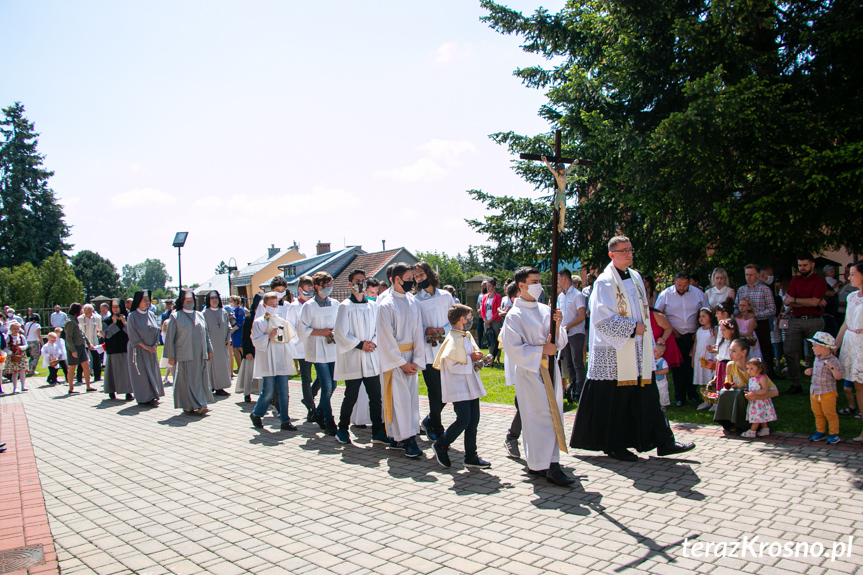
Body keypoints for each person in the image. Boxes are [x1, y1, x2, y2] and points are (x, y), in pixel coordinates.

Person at [571, 236, 695, 462]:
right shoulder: (604, 282)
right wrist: (630, 329)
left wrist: (646, 337)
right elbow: (600, 319)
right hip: (614, 351)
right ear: (612, 254)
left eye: (630, 249)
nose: (629, 254)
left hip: (639, 349)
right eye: (624, 250)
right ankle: (614, 444)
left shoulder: (636, 276)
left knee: (648, 395)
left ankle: (664, 442)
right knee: (616, 400)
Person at [501, 266, 574, 484]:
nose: (538, 285)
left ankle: (549, 463)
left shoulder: (545, 310)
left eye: (539, 281)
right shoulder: (514, 315)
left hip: (551, 370)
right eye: (534, 282)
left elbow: (559, 342)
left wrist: (558, 325)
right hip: (531, 373)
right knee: (537, 418)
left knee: (553, 416)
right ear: (521, 286)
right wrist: (541, 350)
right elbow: (513, 349)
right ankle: (542, 465)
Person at [431, 303, 490, 469]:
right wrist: (471, 358)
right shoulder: (452, 340)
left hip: (470, 384)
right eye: (468, 318)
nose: (471, 320)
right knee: (463, 420)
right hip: (459, 386)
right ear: (460, 319)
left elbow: (471, 358)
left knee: (473, 421)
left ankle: (471, 456)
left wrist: (480, 360)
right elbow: (451, 366)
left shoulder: (466, 336)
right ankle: (441, 444)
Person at [376, 262, 426, 457]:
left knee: (411, 400)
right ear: (396, 279)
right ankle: (407, 440)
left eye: (412, 279)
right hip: (395, 360)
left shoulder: (413, 301)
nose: (412, 282)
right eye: (408, 279)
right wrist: (402, 363)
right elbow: (385, 338)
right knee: (399, 400)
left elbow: (418, 333)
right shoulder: (385, 304)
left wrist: (416, 360)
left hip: (411, 358)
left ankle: (403, 436)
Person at [333, 272, 386, 445]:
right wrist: (360, 344)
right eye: (357, 282)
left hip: (370, 356)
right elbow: (340, 332)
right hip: (354, 356)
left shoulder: (372, 306)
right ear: (350, 284)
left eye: (363, 281)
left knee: (375, 396)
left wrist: (373, 343)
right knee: (351, 396)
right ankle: (342, 429)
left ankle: (377, 431)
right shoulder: (345, 306)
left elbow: (379, 329)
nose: (361, 284)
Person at [654, 270, 709, 406]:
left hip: (693, 335)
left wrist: (699, 329)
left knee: (692, 365)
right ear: (675, 282)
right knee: (677, 367)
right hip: (674, 336)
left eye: (685, 286)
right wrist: (670, 329)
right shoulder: (665, 294)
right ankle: (679, 397)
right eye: (679, 285)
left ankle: (693, 393)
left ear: (689, 283)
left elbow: (707, 311)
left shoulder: (698, 294)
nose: (682, 288)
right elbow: (657, 314)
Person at [413, 262, 454, 441]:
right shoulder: (415, 300)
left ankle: (429, 420)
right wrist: (425, 330)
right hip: (428, 350)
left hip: (446, 348)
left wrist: (443, 330)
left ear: (429, 274)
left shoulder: (445, 296)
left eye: (421, 275)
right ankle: (436, 426)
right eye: (415, 277)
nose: (418, 279)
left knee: (449, 389)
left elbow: (455, 319)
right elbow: (413, 325)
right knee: (434, 391)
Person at [298, 271, 340, 435]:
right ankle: (329, 420)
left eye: (330, 285)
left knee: (334, 384)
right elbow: (302, 330)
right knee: (327, 385)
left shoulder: (336, 304)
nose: (329, 288)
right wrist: (320, 332)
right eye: (326, 285)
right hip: (317, 349)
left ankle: (319, 412)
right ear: (317, 286)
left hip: (332, 347)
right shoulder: (308, 306)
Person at [249, 291, 298, 431]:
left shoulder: (281, 321)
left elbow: (286, 339)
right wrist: (269, 336)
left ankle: (285, 420)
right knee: (268, 391)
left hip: (280, 358)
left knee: (284, 391)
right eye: (271, 304)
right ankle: (257, 413)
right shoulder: (258, 322)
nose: (274, 306)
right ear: (264, 305)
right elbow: (256, 341)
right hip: (268, 359)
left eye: (276, 304)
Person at [783, 253, 828, 394]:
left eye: (805, 265)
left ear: (812, 265)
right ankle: (796, 384)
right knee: (789, 351)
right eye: (800, 265)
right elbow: (787, 301)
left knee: (817, 353)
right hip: (796, 320)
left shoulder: (820, 281)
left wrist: (795, 300)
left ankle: (816, 383)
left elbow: (814, 302)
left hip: (814, 319)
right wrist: (808, 301)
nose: (802, 268)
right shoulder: (794, 281)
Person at [164, 289, 214, 415]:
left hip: (199, 353)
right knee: (187, 381)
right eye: (187, 300)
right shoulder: (175, 317)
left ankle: (200, 403)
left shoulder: (199, 315)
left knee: (198, 379)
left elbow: (206, 333)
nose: (189, 302)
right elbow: (170, 338)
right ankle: (195, 404)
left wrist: (209, 349)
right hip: (185, 353)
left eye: (191, 300)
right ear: (182, 301)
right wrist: (170, 356)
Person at [735, 264, 776, 377]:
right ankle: (747, 374)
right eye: (746, 274)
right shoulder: (741, 290)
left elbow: (772, 309)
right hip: (745, 323)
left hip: (761, 323)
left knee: (764, 349)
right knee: (745, 349)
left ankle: (767, 375)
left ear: (758, 275)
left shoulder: (765, 289)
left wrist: (754, 315)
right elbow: (735, 306)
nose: (749, 277)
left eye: (751, 275)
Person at [837, 261, 863, 431]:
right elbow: (846, 322)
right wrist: (836, 344)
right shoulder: (852, 296)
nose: (849, 277)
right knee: (857, 385)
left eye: (853, 274)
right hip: (851, 341)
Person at [804, 332, 843, 444]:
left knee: (830, 414)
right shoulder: (817, 358)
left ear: (826, 348)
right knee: (817, 413)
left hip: (827, 392)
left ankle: (834, 433)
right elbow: (818, 370)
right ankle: (820, 431)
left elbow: (839, 376)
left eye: (815, 346)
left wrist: (832, 368)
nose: (813, 348)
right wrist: (810, 370)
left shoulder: (833, 361)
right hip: (815, 391)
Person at [126, 290, 164, 406]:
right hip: (138, 350)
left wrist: (154, 345)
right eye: (145, 300)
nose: (147, 303)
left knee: (152, 372)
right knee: (141, 375)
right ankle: (144, 398)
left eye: (148, 300)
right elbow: (133, 335)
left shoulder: (151, 315)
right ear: (138, 301)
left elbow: (157, 330)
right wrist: (146, 347)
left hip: (151, 350)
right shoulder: (132, 316)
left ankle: (153, 395)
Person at [557, 269, 587, 402]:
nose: (557, 282)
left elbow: (581, 316)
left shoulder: (577, 295)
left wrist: (567, 326)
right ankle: (573, 389)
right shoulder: (561, 296)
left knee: (577, 363)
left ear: (564, 279)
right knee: (568, 364)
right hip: (564, 335)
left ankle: (580, 391)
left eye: (558, 279)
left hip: (575, 333)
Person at [293, 275, 319, 419]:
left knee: (324, 376)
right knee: (306, 378)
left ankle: (310, 395)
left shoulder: (314, 304)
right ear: (300, 289)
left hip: (316, 345)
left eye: (311, 288)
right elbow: (292, 327)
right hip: (302, 347)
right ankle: (310, 407)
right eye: (307, 288)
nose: (310, 290)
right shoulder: (294, 306)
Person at [713, 337, 751, 433]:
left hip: (749, 394)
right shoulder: (730, 365)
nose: (730, 354)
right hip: (736, 392)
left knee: (739, 394)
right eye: (730, 350)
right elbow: (727, 383)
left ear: (744, 352)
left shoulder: (752, 366)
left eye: (734, 351)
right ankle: (727, 423)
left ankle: (742, 423)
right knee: (724, 393)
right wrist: (730, 385)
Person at [103, 298, 133, 401]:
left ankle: (128, 392)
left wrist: (124, 324)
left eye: (117, 307)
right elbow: (106, 334)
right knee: (112, 372)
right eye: (113, 307)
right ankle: (112, 390)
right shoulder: (107, 320)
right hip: (113, 349)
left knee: (126, 372)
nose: (115, 309)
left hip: (125, 348)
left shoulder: (128, 318)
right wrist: (114, 324)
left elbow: (132, 334)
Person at [202, 291, 232, 396]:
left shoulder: (223, 312)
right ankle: (210, 387)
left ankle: (220, 387)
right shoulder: (204, 313)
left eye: (216, 298)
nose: (214, 300)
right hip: (210, 345)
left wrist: (229, 339)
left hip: (222, 345)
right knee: (210, 367)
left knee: (222, 366)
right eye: (212, 298)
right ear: (208, 300)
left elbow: (229, 327)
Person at [235, 293, 264, 403]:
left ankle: (262, 393)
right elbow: (245, 336)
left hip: (262, 351)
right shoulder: (249, 318)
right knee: (249, 374)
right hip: (251, 352)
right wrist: (247, 351)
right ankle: (247, 393)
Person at [741, 358, 778, 438]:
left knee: (757, 417)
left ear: (759, 369)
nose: (749, 371)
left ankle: (752, 431)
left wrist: (754, 393)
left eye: (752, 368)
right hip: (754, 401)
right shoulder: (751, 378)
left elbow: (765, 390)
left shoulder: (761, 378)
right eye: (748, 368)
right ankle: (765, 428)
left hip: (760, 402)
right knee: (761, 416)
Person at [64, 303, 94, 393]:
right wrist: (73, 350)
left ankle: (88, 386)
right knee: (72, 368)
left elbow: (81, 333)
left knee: (86, 365)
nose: (82, 311)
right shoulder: (69, 321)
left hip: (81, 346)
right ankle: (71, 388)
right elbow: (68, 338)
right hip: (74, 347)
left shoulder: (75, 320)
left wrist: (88, 343)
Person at [693, 307, 718, 409]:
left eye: (704, 316)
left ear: (710, 318)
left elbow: (717, 343)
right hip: (700, 358)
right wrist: (693, 358)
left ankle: (714, 402)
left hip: (710, 358)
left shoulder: (714, 330)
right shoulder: (699, 330)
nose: (701, 318)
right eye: (700, 316)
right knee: (702, 380)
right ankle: (706, 400)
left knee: (710, 380)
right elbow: (696, 344)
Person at [78, 304, 104, 383]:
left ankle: (97, 376)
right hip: (83, 342)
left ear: (92, 311)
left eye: (88, 312)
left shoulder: (97, 318)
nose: (87, 314)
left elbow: (100, 329)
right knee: (82, 360)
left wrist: (102, 336)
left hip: (94, 342)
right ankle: (79, 377)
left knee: (96, 359)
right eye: (85, 312)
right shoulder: (80, 318)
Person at [481, 278, 503, 363]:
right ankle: (490, 358)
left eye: (489, 286)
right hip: (486, 320)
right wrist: (485, 320)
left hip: (495, 320)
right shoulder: (485, 296)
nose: (488, 288)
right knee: (490, 340)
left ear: (494, 287)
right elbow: (482, 309)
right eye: (487, 286)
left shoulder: (498, 297)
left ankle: (497, 357)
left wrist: (490, 321)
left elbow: (498, 310)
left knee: (497, 339)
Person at [2, 322, 28, 393]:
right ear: (11, 329)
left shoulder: (21, 337)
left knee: (22, 370)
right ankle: (15, 387)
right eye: (14, 329)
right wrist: (10, 353)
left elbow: (26, 345)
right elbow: (4, 347)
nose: (16, 330)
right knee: (14, 372)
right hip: (12, 356)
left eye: (17, 329)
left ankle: (23, 386)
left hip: (21, 355)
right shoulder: (8, 337)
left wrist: (21, 347)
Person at [229, 296, 245, 372]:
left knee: (241, 349)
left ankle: (245, 366)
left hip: (239, 332)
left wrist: (233, 329)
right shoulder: (232, 310)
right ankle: (240, 367)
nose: (230, 302)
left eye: (231, 300)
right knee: (235, 350)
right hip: (233, 333)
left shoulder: (240, 309)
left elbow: (241, 322)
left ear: (235, 301)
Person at [653, 344, 670, 409]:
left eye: (655, 351)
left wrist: (658, 372)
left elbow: (666, 370)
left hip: (661, 381)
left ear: (661, 353)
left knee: (662, 392)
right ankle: (655, 403)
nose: (653, 352)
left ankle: (663, 404)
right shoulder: (651, 360)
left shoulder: (662, 361)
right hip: (654, 380)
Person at [476, 280, 488, 350]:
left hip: (486, 316)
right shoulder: (480, 295)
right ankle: (480, 344)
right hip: (480, 315)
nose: (483, 287)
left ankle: (486, 344)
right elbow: (478, 303)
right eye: (482, 285)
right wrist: (478, 310)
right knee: (479, 330)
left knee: (487, 331)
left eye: (484, 285)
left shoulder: (488, 294)